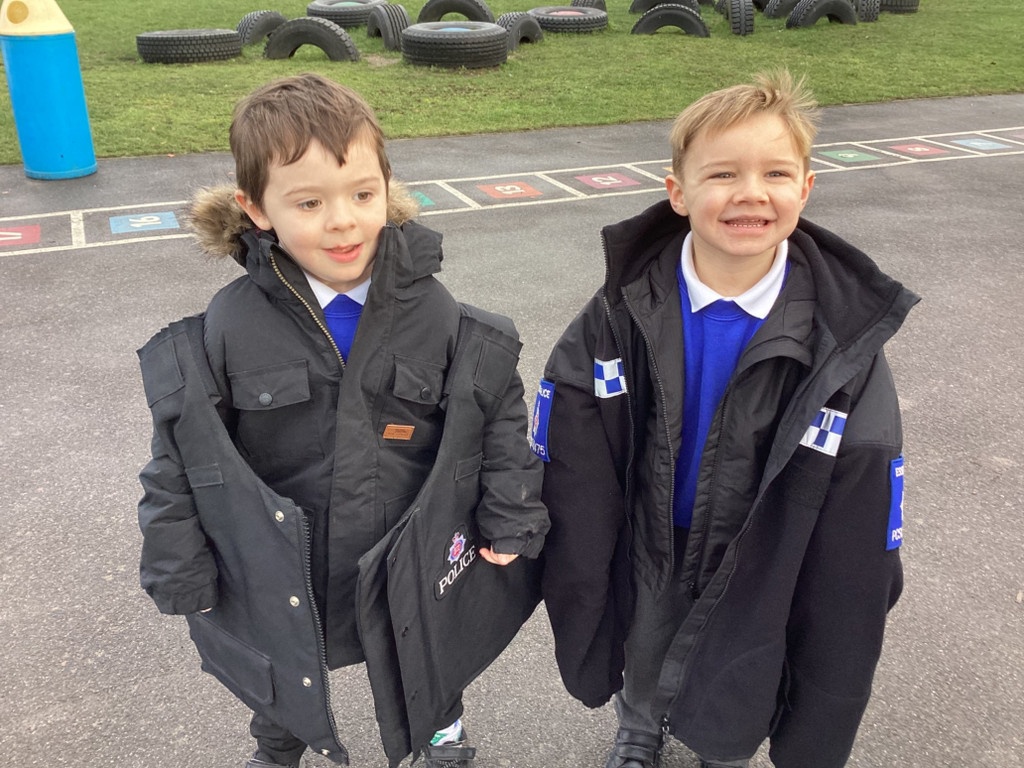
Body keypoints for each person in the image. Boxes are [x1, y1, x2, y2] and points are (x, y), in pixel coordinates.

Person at [136, 73, 548, 768]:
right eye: (308, 202)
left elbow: (497, 416)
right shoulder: (230, 326)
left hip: (408, 543)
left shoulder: (434, 312)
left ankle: (441, 730)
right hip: (284, 555)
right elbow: (182, 452)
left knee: (430, 647)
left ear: (387, 186)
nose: (343, 221)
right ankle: (279, 741)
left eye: (362, 194)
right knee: (282, 662)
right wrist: (178, 561)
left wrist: (511, 512)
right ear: (255, 209)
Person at [531, 70, 918, 768]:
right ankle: (639, 726)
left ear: (805, 188)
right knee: (646, 639)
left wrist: (870, 565)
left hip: (759, 542)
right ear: (678, 192)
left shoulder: (841, 339)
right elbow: (567, 417)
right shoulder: (622, 307)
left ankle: (721, 748)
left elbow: (868, 465)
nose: (750, 193)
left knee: (740, 654)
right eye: (722, 174)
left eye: (776, 173)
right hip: (654, 529)